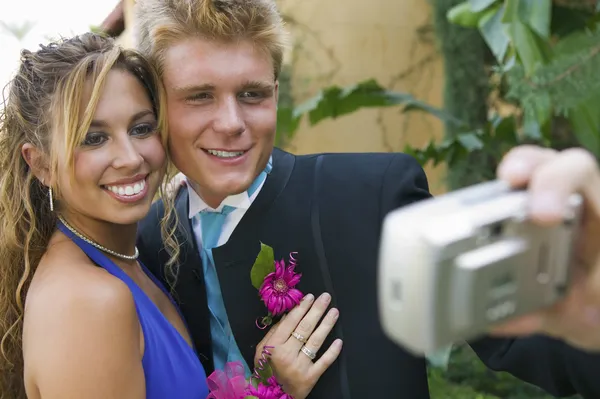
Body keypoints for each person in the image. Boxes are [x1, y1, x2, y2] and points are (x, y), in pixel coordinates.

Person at [134, 0, 600, 398]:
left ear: (276, 92)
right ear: (157, 106)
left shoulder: (373, 195)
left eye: (252, 93)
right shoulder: (147, 239)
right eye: (199, 96)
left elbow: (536, 339)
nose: (233, 122)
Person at [0, 32, 340, 399]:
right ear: (41, 164)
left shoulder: (122, 256)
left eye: (141, 128)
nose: (131, 157)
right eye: (93, 138)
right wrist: (274, 391)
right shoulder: (86, 301)